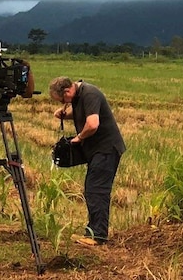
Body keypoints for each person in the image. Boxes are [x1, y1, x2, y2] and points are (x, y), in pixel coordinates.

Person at [49, 77, 126, 245]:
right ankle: (92, 232)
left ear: (68, 91)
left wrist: (78, 138)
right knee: (92, 189)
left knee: (97, 191)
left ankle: (98, 236)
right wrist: (65, 114)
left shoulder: (90, 94)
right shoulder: (79, 95)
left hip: (106, 149)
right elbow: (84, 111)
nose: (64, 103)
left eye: (62, 100)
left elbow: (92, 124)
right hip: (97, 150)